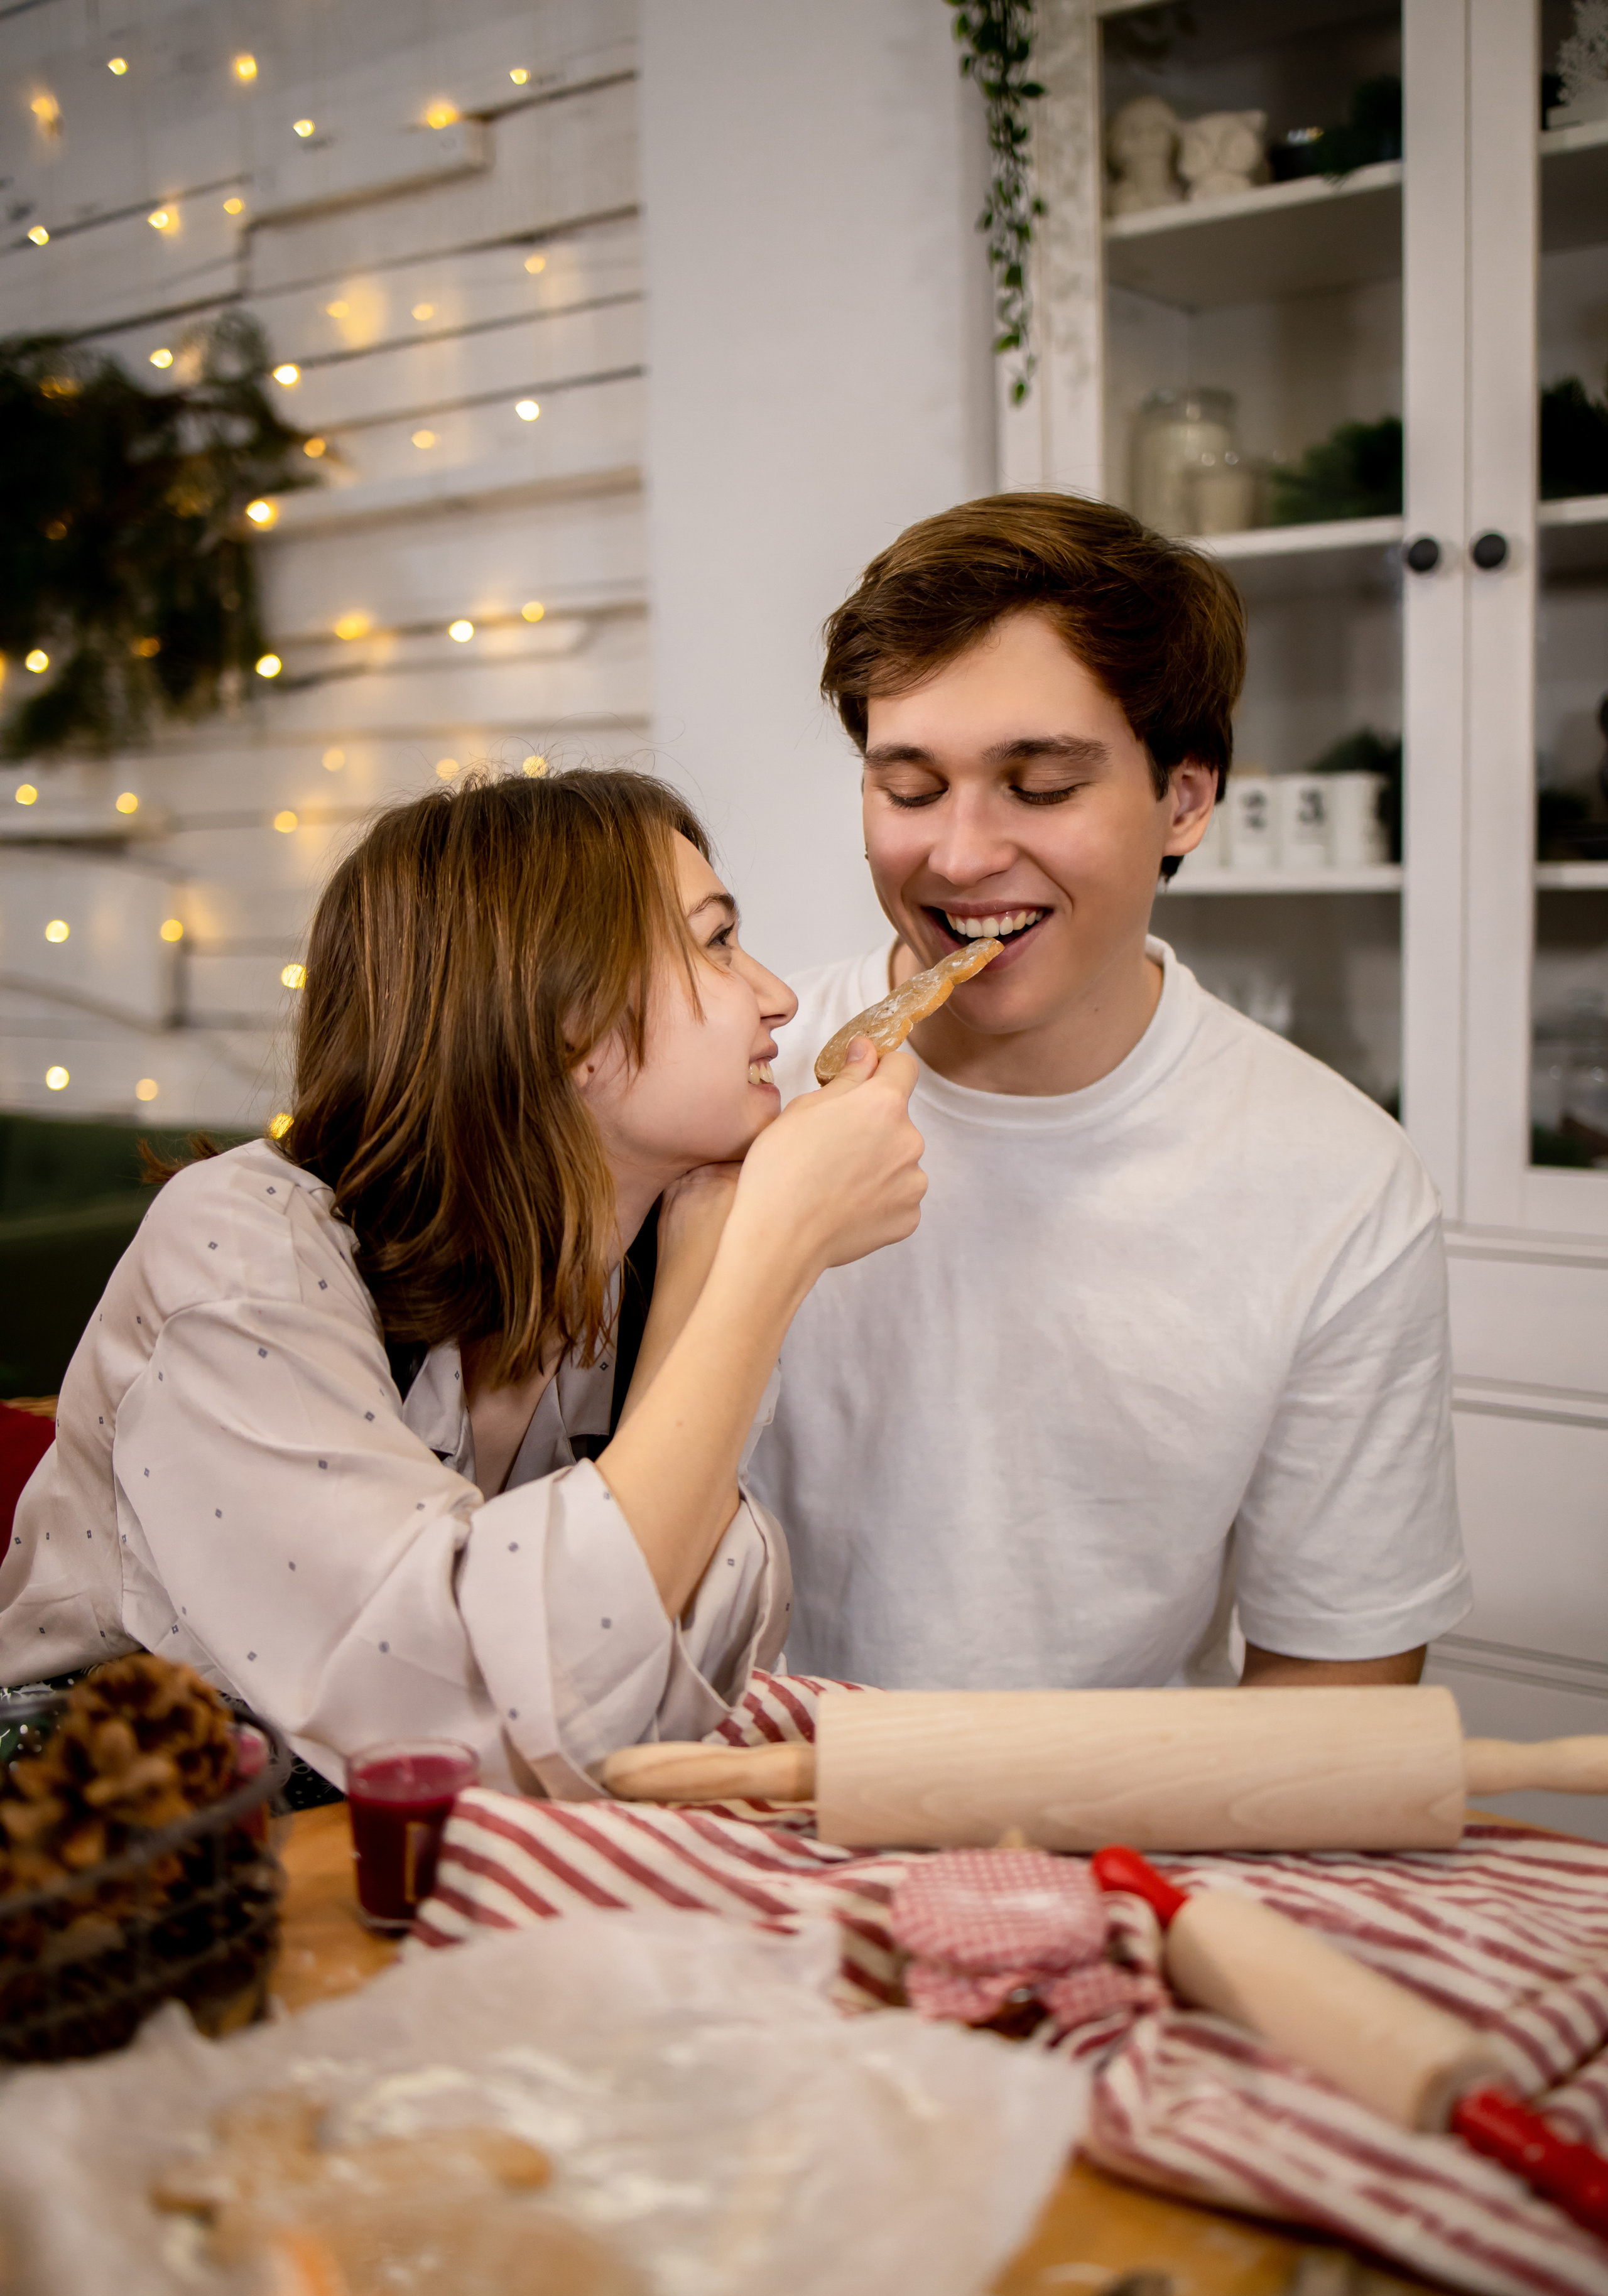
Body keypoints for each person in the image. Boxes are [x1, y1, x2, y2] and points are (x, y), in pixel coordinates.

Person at [0, 771, 925, 1792]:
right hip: (106, 1865)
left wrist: (708, 1277)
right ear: (564, 1016)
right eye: (714, 942)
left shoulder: (646, 1265)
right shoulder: (242, 1249)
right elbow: (439, 1719)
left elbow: (655, 1694)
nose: (778, 996)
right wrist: (771, 1257)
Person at [748, 492, 1471, 1692]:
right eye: (911, 789)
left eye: (1039, 786)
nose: (963, 856)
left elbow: (1335, 1684)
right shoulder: (744, 1087)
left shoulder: (1338, 1180)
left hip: (1126, 1845)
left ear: (1184, 800)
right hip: (735, 1817)